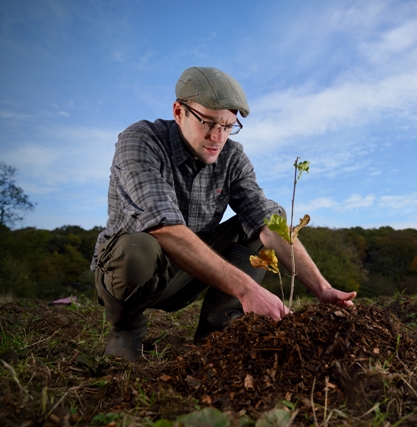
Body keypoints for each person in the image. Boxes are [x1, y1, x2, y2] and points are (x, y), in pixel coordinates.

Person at [91, 66, 356, 361]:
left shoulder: (232, 157)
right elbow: (163, 227)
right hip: (131, 276)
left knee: (269, 220)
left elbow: (268, 222)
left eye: (229, 126)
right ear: (179, 111)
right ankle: (126, 331)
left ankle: (218, 335)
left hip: (191, 273)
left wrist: (322, 289)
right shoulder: (141, 141)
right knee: (137, 247)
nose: (218, 136)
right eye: (209, 122)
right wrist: (248, 291)